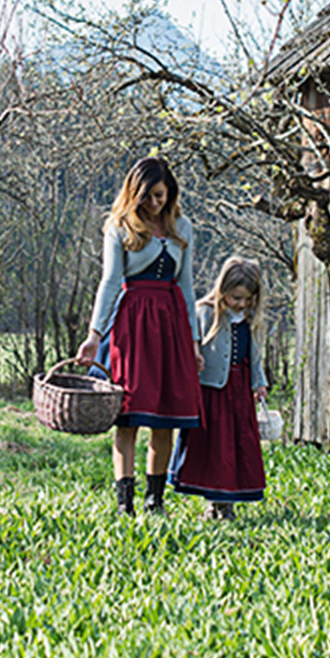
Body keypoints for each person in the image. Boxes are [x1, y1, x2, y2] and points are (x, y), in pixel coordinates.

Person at [76, 157, 202, 515]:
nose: (154, 203)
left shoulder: (182, 227)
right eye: (147, 196)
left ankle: (155, 500)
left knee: (166, 416)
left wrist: (193, 342)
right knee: (129, 414)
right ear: (135, 193)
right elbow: (111, 282)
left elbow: (188, 286)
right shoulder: (118, 226)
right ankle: (124, 502)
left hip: (173, 325)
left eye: (160, 195)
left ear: (170, 192)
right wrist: (94, 334)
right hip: (133, 325)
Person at [169, 256, 268, 520]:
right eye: (236, 297)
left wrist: (259, 383)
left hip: (240, 393)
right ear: (223, 289)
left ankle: (228, 504)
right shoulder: (205, 312)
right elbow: (192, 348)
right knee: (214, 448)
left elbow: (254, 355)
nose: (242, 303)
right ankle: (213, 504)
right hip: (212, 392)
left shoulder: (250, 319)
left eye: (247, 299)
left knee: (235, 448)